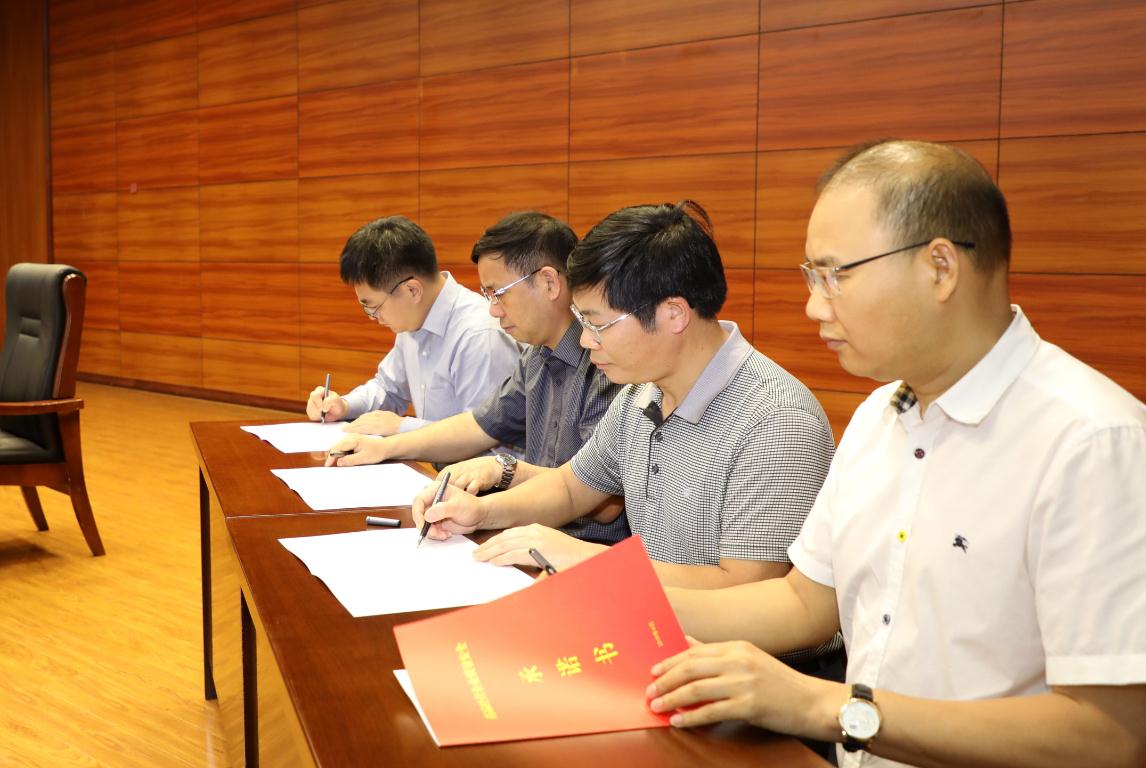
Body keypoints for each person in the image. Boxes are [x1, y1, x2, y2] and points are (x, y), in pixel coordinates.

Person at [646, 141, 1146, 768]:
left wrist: (825, 705)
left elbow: (1109, 740)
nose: (814, 306)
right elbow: (804, 602)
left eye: (835, 274)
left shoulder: (1093, 442)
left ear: (939, 267)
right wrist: (613, 603)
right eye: (811, 276)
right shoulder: (882, 413)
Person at [413, 200, 836, 590]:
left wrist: (586, 559)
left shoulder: (776, 419)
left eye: (597, 324)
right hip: (648, 616)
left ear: (673, 314)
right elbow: (571, 488)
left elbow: (745, 589)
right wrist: (479, 512)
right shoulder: (641, 394)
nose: (585, 341)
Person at [326, 211, 628, 544]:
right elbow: (479, 425)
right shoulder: (536, 356)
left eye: (499, 293)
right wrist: (385, 447)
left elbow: (602, 502)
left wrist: (503, 471)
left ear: (548, 283)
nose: (493, 310)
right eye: (488, 296)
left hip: (584, 548)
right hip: (530, 535)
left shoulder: (607, 365)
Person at [305, 215, 520, 436]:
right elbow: (389, 389)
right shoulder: (414, 318)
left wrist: (402, 427)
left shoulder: (479, 336)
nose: (374, 317)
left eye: (375, 307)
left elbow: (486, 435)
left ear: (412, 290)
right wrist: (344, 406)